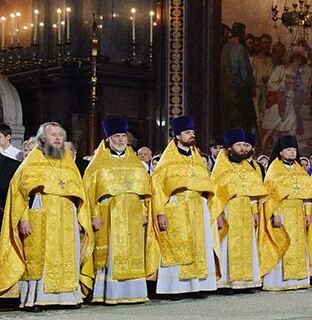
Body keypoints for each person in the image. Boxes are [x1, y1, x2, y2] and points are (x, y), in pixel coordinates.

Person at [0, 122, 91, 308]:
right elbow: (19, 192)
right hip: (41, 212)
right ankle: (36, 298)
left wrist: (80, 218)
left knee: (68, 254)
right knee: (39, 256)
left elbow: (79, 192)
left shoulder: (69, 163)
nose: (57, 138)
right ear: (42, 139)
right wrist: (23, 219)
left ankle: (68, 297)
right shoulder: (32, 161)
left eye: (60, 135)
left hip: (67, 215)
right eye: (53, 134)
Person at [85, 117, 153, 303]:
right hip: (109, 214)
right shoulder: (98, 163)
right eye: (117, 136)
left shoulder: (135, 162)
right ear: (108, 139)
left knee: (134, 252)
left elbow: (144, 192)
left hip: (133, 214)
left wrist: (144, 213)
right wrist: (94, 215)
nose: (121, 139)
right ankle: (109, 293)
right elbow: (89, 192)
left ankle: (134, 293)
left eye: (123, 136)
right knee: (111, 253)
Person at [152, 115, 219, 295]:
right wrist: (160, 212)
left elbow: (206, 184)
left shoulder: (197, 158)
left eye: (193, 132)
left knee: (200, 246)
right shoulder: (167, 160)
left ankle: (198, 285)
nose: (192, 135)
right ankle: (175, 288)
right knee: (177, 246)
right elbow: (157, 187)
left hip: (198, 206)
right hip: (177, 207)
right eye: (188, 132)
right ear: (177, 136)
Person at [259, 134, 312, 291]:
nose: (292, 152)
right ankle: (279, 282)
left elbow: (308, 194)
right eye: (288, 149)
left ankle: (298, 279)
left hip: (299, 214)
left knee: (299, 245)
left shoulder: (300, 170)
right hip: (284, 213)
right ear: (281, 152)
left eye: (294, 149)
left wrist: (308, 213)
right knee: (284, 242)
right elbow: (270, 195)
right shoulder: (274, 169)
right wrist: (276, 214)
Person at [210, 128, 266, 291]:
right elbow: (215, 194)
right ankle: (227, 282)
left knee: (247, 245)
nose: (242, 149)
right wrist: (218, 215)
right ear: (229, 148)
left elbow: (253, 192)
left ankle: (247, 280)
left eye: (243, 145)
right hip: (228, 211)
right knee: (228, 245)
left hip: (246, 211)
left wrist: (255, 211)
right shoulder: (221, 168)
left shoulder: (248, 168)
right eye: (238, 145)